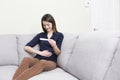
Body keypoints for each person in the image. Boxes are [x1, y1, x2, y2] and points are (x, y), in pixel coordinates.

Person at [12, 14, 64, 80]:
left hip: (51, 62)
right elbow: (26, 47)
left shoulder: (59, 35)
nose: (46, 27)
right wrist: (40, 53)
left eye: (48, 25)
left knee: (42, 62)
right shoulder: (40, 35)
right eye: (44, 25)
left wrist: (54, 45)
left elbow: (58, 53)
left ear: (52, 23)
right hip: (38, 59)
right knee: (26, 59)